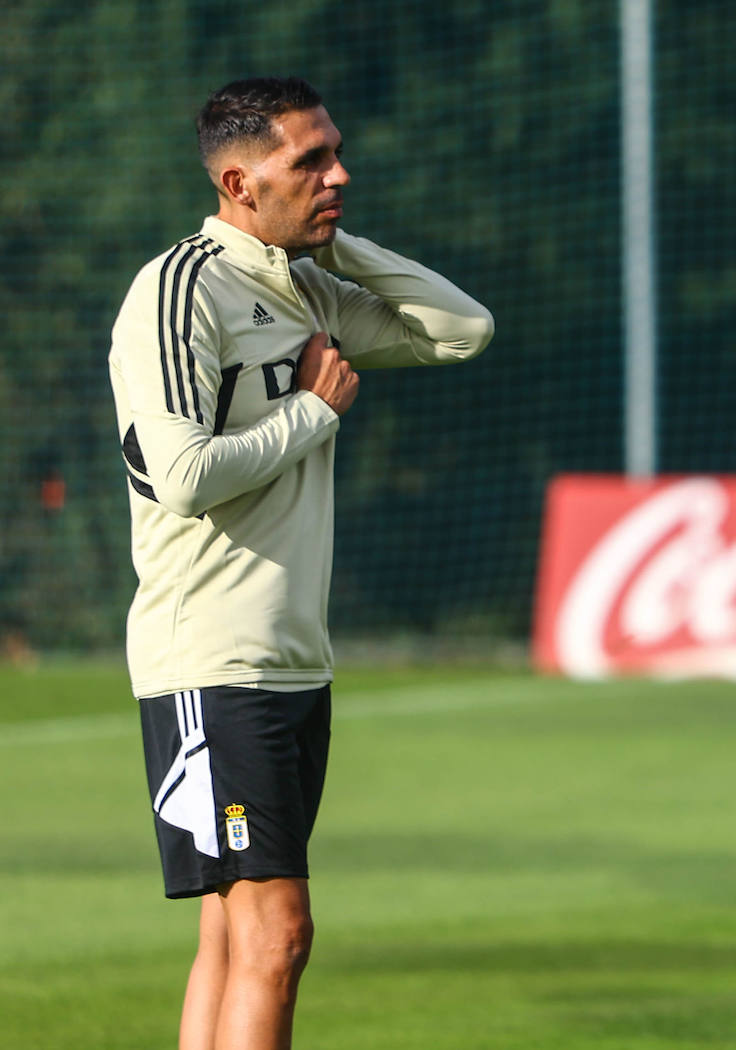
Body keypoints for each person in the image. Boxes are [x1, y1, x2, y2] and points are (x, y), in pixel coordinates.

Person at [108, 77, 494, 1050]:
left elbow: (460, 331)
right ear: (238, 182)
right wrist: (312, 413)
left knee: (233, 937)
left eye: (335, 153)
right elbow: (184, 476)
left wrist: (336, 241)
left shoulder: (306, 287)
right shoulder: (180, 288)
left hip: (290, 660)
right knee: (279, 934)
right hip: (211, 660)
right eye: (309, 163)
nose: (340, 174)